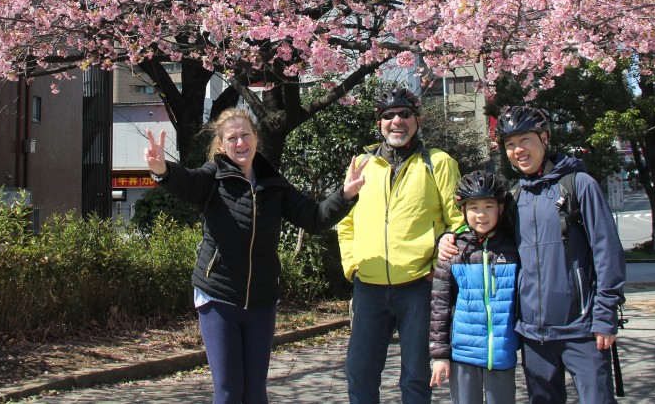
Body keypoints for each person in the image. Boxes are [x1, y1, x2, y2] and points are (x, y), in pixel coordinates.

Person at [144, 107, 367, 404]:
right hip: (218, 296)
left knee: (255, 392)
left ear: (256, 139)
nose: (240, 143)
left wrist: (345, 195)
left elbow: (313, 218)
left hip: (262, 300)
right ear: (222, 145)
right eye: (232, 138)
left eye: (245, 135)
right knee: (229, 389)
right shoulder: (214, 176)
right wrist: (162, 170)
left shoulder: (273, 184)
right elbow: (187, 182)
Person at [440, 106, 625, 403]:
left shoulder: (579, 185)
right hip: (533, 335)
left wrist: (604, 315)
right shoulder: (515, 197)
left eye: (524, 140)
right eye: (510, 144)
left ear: (544, 137)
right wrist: (449, 237)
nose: (517, 150)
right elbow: (484, 233)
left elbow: (608, 252)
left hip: (582, 328)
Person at [338, 87, 463, 404]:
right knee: (360, 372)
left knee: (417, 378)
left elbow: (459, 220)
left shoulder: (438, 163)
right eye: (388, 116)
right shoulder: (362, 165)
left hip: (419, 287)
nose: (397, 121)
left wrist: (438, 266)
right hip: (368, 285)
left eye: (404, 114)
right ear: (378, 123)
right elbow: (346, 220)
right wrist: (352, 266)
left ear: (417, 120)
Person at [430, 170, 519, 404]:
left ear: (500, 208)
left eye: (488, 206)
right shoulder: (453, 251)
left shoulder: (514, 248)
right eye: (473, 207)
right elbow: (440, 305)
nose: (481, 214)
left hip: (502, 353)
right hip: (462, 355)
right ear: (463, 211)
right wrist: (440, 355)